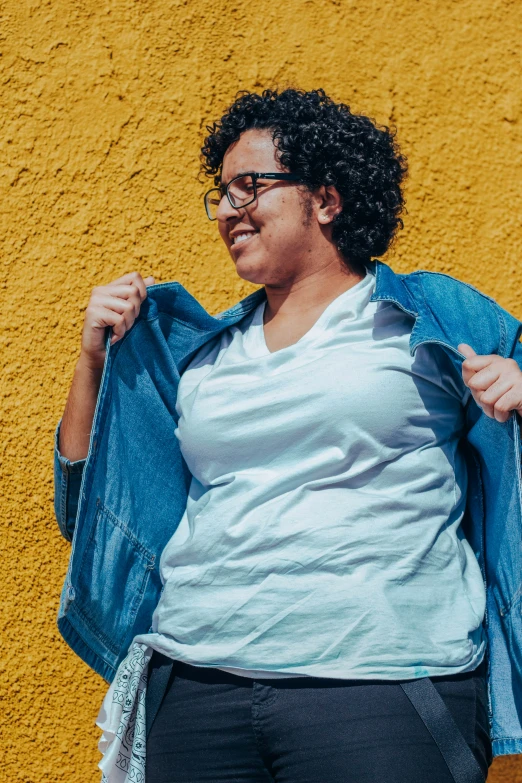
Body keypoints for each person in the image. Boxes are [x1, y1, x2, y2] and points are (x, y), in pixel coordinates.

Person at [54, 89, 522, 783]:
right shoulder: (198, 353)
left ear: (327, 199)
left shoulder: (428, 314)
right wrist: (94, 359)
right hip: (197, 682)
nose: (228, 210)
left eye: (251, 186)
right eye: (220, 193)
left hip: (381, 685)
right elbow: (87, 504)